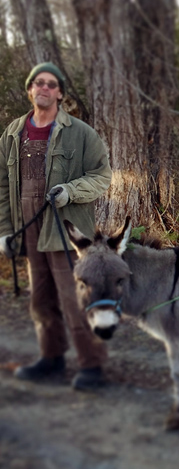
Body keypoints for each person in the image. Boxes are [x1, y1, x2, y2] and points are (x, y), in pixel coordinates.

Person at [0, 62, 112, 390]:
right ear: (30, 90)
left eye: (51, 84)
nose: (44, 88)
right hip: (28, 230)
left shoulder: (81, 133)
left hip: (67, 232)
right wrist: (5, 231)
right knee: (41, 300)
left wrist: (70, 191)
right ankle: (51, 358)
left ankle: (92, 365)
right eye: (38, 83)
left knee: (73, 300)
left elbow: (102, 176)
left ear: (60, 93)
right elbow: (3, 190)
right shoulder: (11, 134)